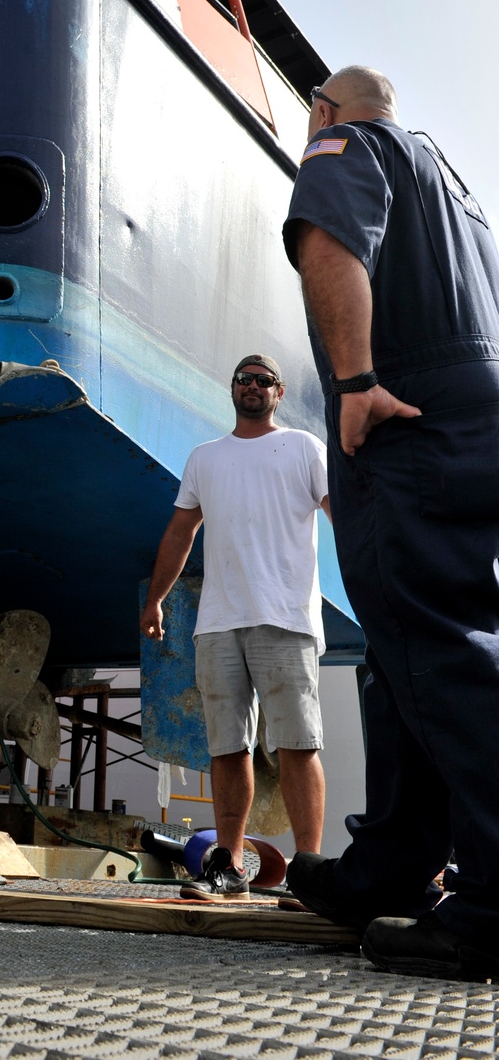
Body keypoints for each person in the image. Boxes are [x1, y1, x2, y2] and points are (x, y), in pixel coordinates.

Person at [283, 64, 499, 981]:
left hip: (406, 408)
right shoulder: (463, 200)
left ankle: (491, 899)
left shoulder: (350, 145)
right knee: (407, 649)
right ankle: (394, 867)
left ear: (325, 112)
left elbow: (329, 240)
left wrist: (359, 382)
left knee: (435, 645)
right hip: (476, 416)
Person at [140, 355, 330, 901]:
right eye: (243, 379)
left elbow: (341, 511)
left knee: (297, 744)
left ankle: (308, 872)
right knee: (227, 748)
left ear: (279, 391)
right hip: (218, 625)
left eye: (262, 380)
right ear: (232, 389)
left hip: (286, 619)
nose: (252, 386)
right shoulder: (205, 457)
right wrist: (156, 600)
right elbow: (180, 534)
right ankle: (229, 866)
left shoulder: (303, 448)